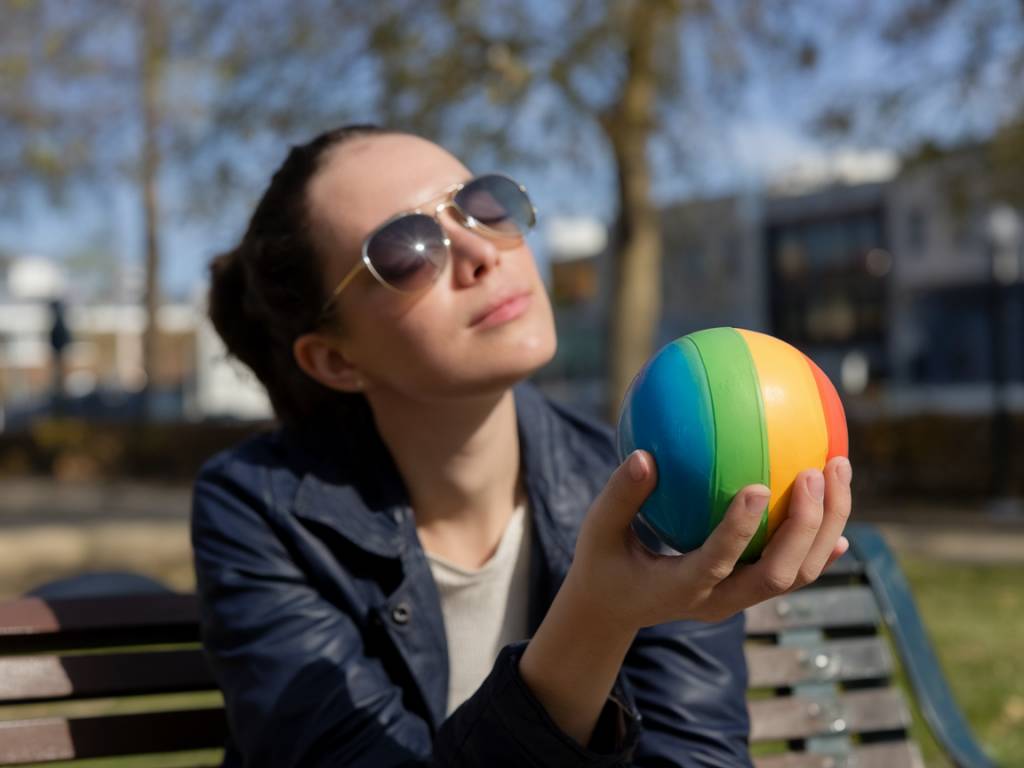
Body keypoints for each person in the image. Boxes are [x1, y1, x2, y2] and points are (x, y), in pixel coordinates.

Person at [192, 124, 852, 768]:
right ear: (336, 360)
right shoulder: (260, 511)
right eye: (405, 251)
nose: (480, 252)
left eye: (479, 204)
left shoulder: (649, 484)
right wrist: (596, 617)